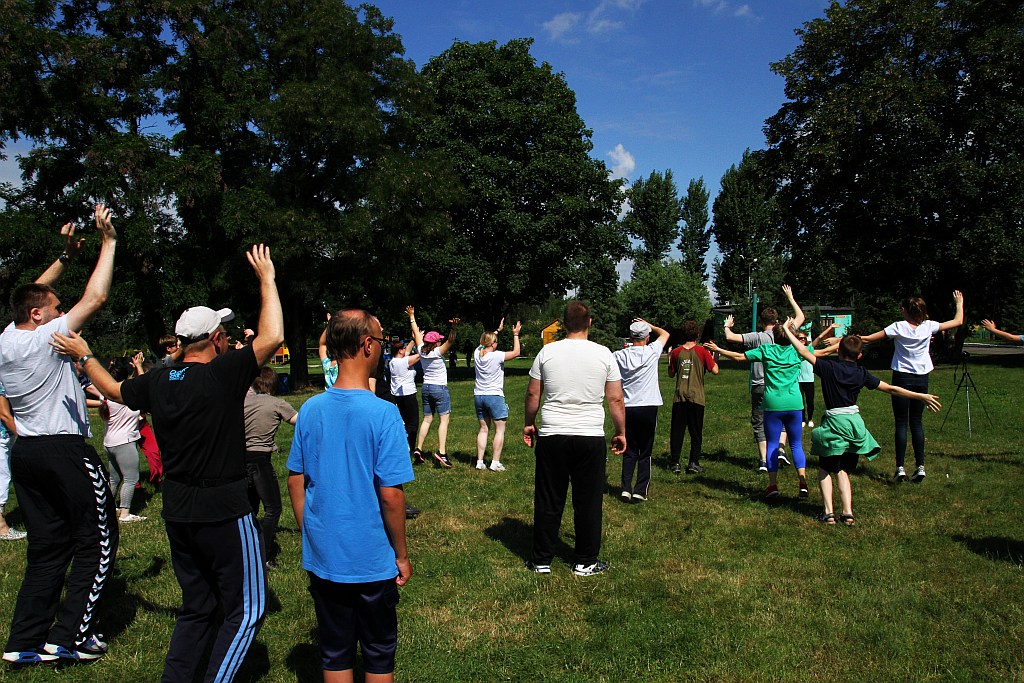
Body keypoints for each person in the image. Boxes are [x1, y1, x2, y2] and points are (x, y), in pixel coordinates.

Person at [53, 244, 283, 681]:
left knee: (198, 606)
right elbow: (271, 338)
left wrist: (84, 355)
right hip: (224, 507)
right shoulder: (222, 372)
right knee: (248, 609)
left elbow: (115, 390)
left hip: (178, 508)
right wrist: (267, 281)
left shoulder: (158, 380)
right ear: (217, 338)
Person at [0, 204, 119, 665]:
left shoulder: (8, 338)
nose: (61, 310)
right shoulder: (47, 337)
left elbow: (35, 291)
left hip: (25, 453)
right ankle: (71, 636)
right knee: (99, 539)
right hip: (63, 450)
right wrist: (107, 243)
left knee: (47, 549)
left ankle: (23, 642)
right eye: (54, 309)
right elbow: (96, 298)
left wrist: (65, 256)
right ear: (39, 316)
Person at [287, 309, 413, 683]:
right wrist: (402, 555)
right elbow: (391, 494)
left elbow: (296, 480)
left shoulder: (310, 409)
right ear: (367, 345)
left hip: (326, 556)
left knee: (335, 652)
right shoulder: (384, 414)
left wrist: (311, 532)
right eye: (381, 337)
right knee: (377, 653)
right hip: (372, 557)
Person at [779, 322, 942, 525]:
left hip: (835, 423)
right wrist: (919, 395)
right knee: (843, 469)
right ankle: (847, 513)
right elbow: (891, 388)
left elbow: (802, 350)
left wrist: (786, 330)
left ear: (838, 351)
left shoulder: (828, 367)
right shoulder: (861, 373)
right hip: (854, 425)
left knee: (824, 469)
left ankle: (828, 513)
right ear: (859, 356)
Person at [523, 300, 626, 577]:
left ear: (563, 323)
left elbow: (534, 394)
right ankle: (585, 561)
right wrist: (621, 432)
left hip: (553, 433)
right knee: (588, 500)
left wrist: (529, 423)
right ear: (589, 322)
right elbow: (615, 398)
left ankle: (541, 559)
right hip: (589, 435)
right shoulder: (604, 354)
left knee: (548, 497)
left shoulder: (547, 352)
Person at [707, 286, 808, 499]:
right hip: (795, 402)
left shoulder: (765, 348)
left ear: (763, 323)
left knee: (766, 434)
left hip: (770, 398)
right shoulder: (797, 349)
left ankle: (771, 480)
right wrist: (790, 296)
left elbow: (738, 353)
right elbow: (800, 317)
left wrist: (720, 344)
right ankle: (802, 482)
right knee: (796, 443)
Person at [861, 291, 964, 482]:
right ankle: (920, 466)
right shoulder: (928, 326)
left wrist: (842, 341)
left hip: (901, 377)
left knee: (901, 422)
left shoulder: (898, 327)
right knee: (916, 422)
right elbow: (958, 321)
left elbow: (868, 339)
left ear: (905, 310)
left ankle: (900, 468)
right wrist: (959, 303)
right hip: (921, 378)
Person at [244, 366, 297, 567]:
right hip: (260, 462)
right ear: (274, 384)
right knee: (273, 508)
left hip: (241, 461)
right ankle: (263, 555)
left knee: (249, 508)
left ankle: (245, 548)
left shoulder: (242, 402)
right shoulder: (277, 404)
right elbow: (298, 421)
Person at [613, 319, 669, 502]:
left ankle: (625, 488)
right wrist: (649, 324)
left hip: (627, 406)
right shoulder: (652, 351)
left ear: (630, 336)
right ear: (647, 337)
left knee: (629, 449)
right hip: (648, 406)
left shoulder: (620, 355)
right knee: (645, 451)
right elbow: (665, 334)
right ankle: (640, 490)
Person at [100, 353, 148, 523]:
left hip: (109, 442)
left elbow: (132, 384)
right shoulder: (126, 395)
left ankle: (107, 508)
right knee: (131, 478)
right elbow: (144, 386)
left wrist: (134, 370)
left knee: (114, 478)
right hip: (124, 442)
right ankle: (125, 513)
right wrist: (139, 367)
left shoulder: (107, 393)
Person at [667, 320, 719, 474]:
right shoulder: (702, 351)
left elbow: (671, 374)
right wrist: (715, 356)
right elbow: (715, 370)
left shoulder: (676, 352)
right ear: (697, 335)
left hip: (680, 397)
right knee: (696, 432)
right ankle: (693, 462)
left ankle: (675, 462)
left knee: (677, 431)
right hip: (697, 397)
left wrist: (670, 359)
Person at [473, 319, 522, 472]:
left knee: (483, 429)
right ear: (493, 344)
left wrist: (497, 331)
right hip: (494, 396)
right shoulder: (496, 356)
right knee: (499, 430)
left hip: (479, 396)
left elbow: (484, 343)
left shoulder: (477, 353)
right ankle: (495, 462)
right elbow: (516, 352)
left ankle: (479, 462)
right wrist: (515, 335)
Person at [413, 317, 459, 468]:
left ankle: (418, 448)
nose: (440, 342)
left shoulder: (420, 350)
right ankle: (442, 453)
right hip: (439, 388)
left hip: (426, 388)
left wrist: (412, 317)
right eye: (438, 340)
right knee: (444, 420)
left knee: (427, 419)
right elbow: (450, 341)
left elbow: (416, 334)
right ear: (435, 343)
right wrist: (453, 328)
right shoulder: (437, 352)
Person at [796, 323, 839, 429]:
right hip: (798, 380)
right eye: (799, 338)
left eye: (803, 338)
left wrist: (830, 327)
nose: (801, 340)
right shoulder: (795, 350)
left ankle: (810, 419)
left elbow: (819, 337)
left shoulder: (810, 349)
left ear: (806, 340)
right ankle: (802, 419)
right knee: (800, 402)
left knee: (810, 401)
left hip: (809, 380)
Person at [0, 381, 27, 541]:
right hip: (2, 436)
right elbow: (4, 414)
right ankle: (2, 528)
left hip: (4, 436)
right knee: (2, 478)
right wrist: (24, 436)